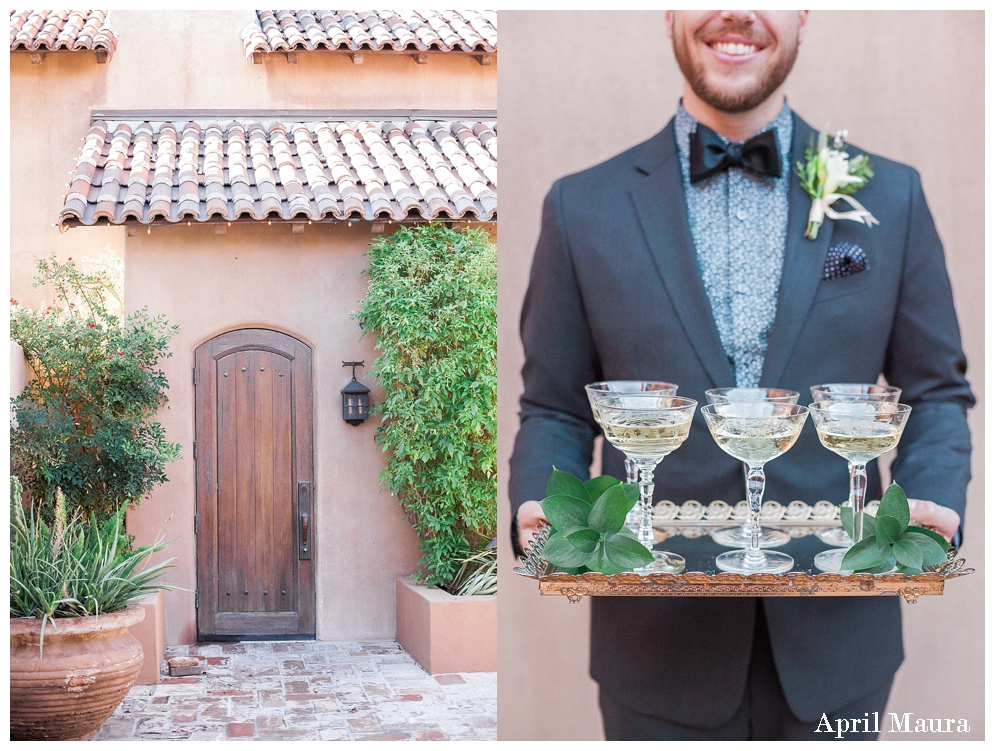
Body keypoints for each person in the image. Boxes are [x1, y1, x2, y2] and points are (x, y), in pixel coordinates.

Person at [508, 10, 973, 741]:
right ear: (666, 13)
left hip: (840, 648)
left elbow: (936, 392)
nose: (735, 13)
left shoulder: (889, 196)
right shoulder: (580, 207)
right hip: (653, 649)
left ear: (803, 15)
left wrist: (935, 501)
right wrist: (540, 504)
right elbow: (555, 407)